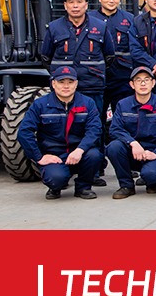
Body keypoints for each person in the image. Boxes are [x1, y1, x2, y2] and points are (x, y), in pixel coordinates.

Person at [17, 66, 101, 200]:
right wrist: (39, 157)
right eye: (61, 82)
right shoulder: (40, 105)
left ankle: (83, 187)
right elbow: (24, 132)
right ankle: (55, 187)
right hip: (54, 155)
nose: (66, 86)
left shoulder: (87, 103)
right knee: (56, 179)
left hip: (78, 153)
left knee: (94, 155)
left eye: (70, 82)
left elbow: (94, 130)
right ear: (53, 84)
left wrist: (80, 150)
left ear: (76, 84)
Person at [40, 0, 115, 114]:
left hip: (92, 87)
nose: (75, 6)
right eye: (71, 2)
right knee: (62, 123)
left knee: (94, 122)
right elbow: (46, 57)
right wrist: (60, 74)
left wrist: (93, 71)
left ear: (86, 5)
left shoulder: (100, 26)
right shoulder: (54, 27)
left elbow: (109, 56)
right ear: (65, 5)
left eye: (79, 2)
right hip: (63, 89)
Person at [106, 66, 156, 199]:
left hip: (154, 152)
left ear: (153, 83)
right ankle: (126, 185)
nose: (143, 84)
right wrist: (132, 143)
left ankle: (152, 182)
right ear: (132, 84)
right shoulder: (123, 104)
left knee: (151, 174)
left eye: (147, 79)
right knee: (113, 147)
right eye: (138, 80)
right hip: (132, 151)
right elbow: (115, 129)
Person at [92, 0, 137, 113]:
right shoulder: (89, 18)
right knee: (96, 116)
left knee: (123, 115)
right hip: (97, 77)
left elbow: (135, 46)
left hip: (122, 78)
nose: (111, 1)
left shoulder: (130, 19)